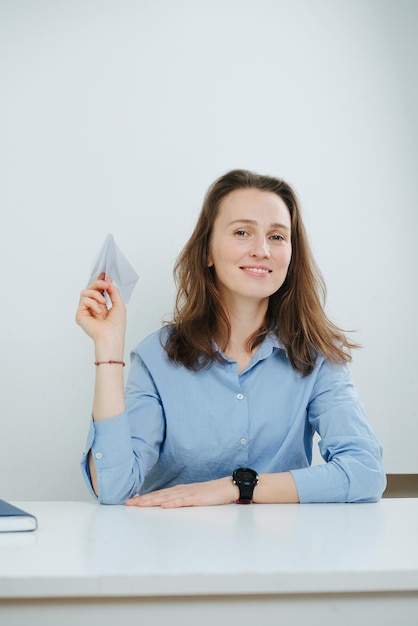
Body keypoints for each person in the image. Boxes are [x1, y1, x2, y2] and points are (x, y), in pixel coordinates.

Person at [76, 169, 386, 507]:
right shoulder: (157, 357)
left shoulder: (318, 357)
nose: (262, 250)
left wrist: (236, 487)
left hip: (280, 553)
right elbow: (114, 488)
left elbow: (365, 472)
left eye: (278, 237)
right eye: (242, 232)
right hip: (175, 551)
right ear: (208, 252)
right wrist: (108, 349)